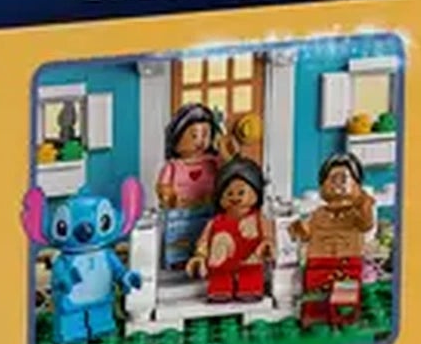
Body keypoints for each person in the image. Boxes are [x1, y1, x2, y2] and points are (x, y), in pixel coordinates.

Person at [291, 150, 377, 324]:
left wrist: (363, 201)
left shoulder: (357, 213)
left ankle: (344, 324)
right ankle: (315, 324)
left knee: (344, 309)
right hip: (318, 266)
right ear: (322, 187)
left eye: (344, 179)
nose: (338, 184)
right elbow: (304, 235)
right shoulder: (318, 214)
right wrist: (296, 228)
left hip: (347, 266)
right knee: (315, 307)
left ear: (357, 186)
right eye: (332, 179)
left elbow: (366, 224)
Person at [155, 102, 226, 272]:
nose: (200, 141)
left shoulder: (213, 162)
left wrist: (225, 149)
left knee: (206, 238)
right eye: (194, 135)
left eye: (205, 134)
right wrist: (169, 196)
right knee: (180, 242)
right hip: (181, 214)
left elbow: (228, 172)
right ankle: (178, 262)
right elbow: (163, 186)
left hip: (209, 211)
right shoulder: (173, 166)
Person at [192, 158, 274, 303]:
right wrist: (200, 256)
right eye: (229, 193)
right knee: (219, 278)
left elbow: (268, 235)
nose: (235, 197)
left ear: (256, 193)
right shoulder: (216, 222)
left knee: (250, 275)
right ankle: (220, 289)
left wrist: (267, 245)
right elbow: (204, 241)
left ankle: (250, 288)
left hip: (250, 260)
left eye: (241, 192)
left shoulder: (259, 219)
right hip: (221, 264)